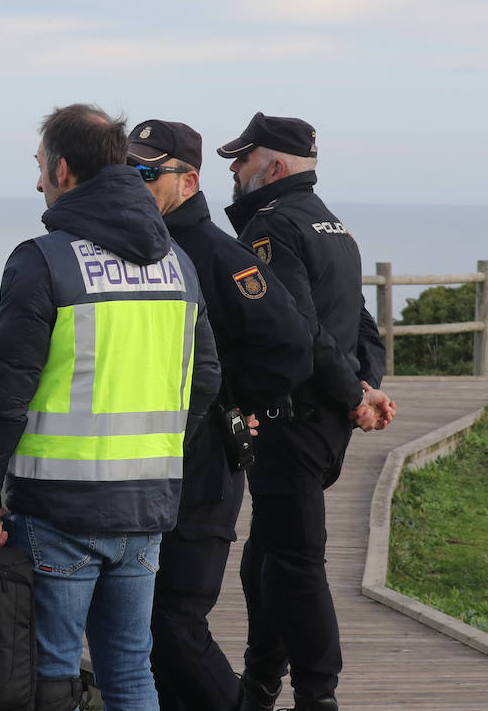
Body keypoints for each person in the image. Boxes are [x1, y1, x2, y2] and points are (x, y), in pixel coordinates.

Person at [0, 104, 220, 711]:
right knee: (129, 672)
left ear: (64, 170)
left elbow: (3, 395)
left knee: (48, 675)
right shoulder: (177, 265)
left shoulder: (44, 260)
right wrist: (158, 455)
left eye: (40, 168)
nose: (37, 182)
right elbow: (204, 379)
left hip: (57, 513)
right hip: (146, 510)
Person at [127, 120, 313, 711]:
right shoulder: (144, 250)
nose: (135, 182)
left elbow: (290, 343)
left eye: (147, 172)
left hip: (205, 473)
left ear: (188, 180)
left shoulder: (213, 252)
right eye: (126, 170)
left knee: (174, 623)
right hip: (156, 472)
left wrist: (237, 400)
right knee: (149, 635)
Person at [218, 112, 395, 711]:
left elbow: (300, 330)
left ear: (276, 166)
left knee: (294, 565)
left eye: (242, 160)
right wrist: (366, 387)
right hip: (325, 424)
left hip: (291, 419)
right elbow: (362, 325)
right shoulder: (335, 227)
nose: (236, 172)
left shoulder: (270, 226)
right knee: (264, 560)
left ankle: (317, 698)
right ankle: (259, 686)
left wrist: (352, 394)